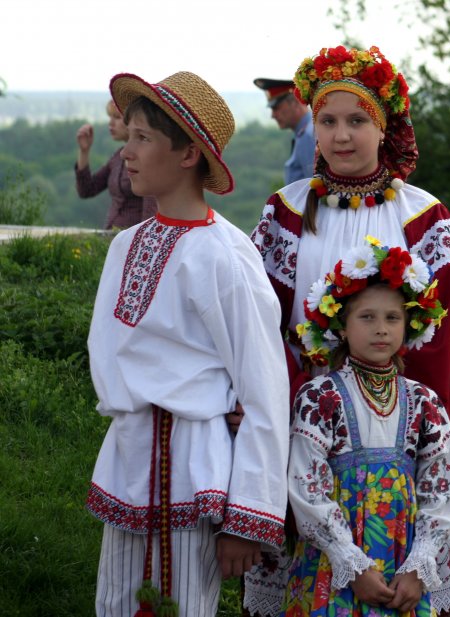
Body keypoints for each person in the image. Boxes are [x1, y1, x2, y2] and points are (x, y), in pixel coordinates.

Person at [246, 45, 450, 616]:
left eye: (357, 121)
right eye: (327, 121)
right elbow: (262, 326)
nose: (342, 136)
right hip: (306, 427)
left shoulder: (425, 217)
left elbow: (444, 344)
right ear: (312, 128)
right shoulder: (285, 212)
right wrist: (291, 413)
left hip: (396, 438)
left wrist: (411, 434)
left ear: (384, 125)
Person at [85, 71, 291, 616]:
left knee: (184, 606)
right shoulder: (125, 246)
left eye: (142, 138)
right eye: (127, 136)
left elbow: (264, 386)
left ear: (187, 155)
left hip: (195, 463)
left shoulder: (224, 254)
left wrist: (248, 514)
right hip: (130, 456)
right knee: (116, 601)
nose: (126, 152)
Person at [282, 238, 450, 615]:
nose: (381, 329)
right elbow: (306, 485)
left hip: (402, 563)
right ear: (341, 326)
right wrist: (350, 563)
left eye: (392, 318)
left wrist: (418, 567)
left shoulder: (424, 402)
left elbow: (440, 488)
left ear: (409, 326)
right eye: (367, 317)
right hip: (334, 566)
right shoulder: (320, 397)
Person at [75, 99, 157, 228]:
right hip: (111, 240)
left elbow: (150, 216)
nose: (111, 123)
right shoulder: (117, 157)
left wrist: (139, 244)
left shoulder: (145, 160)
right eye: (110, 117)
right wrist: (84, 152)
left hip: (132, 241)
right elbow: (86, 190)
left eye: (117, 117)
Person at [254, 77, 315, 184]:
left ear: (296, 102)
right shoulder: (305, 132)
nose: (273, 115)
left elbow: (316, 188)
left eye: (276, 108)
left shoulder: (309, 136)